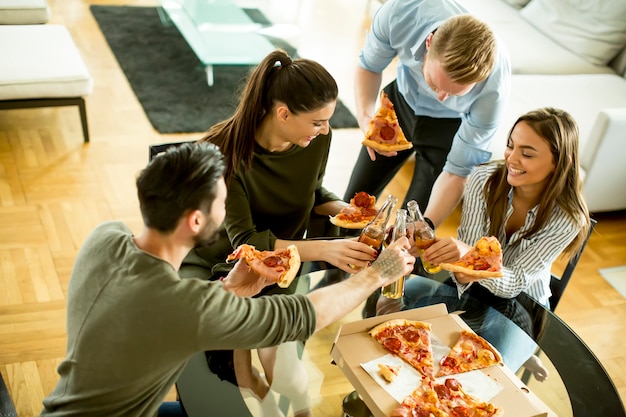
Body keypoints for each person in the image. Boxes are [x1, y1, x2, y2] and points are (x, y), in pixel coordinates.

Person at [39, 142, 415, 417]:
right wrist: (378, 273)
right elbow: (299, 315)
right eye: (223, 202)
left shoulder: (105, 236)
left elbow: (149, 314)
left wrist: (230, 289)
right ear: (197, 222)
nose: (229, 209)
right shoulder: (185, 306)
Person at [180, 50, 381, 416]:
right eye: (317, 122)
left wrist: (346, 211)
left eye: (327, 122)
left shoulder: (316, 138)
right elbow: (246, 243)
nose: (324, 130)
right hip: (226, 268)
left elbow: (313, 191)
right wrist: (325, 249)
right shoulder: (223, 152)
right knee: (245, 378)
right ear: (283, 113)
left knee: (292, 384)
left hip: (283, 266)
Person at [379, 107, 591, 378]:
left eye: (527, 154)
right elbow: (462, 272)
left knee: (483, 378)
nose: (511, 159)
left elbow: (513, 285)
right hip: (470, 289)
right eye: (510, 146)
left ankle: (520, 350)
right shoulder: (483, 180)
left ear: (559, 162)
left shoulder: (569, 218)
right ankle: (517, 352)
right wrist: (436, 251)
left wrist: (468, 257)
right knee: (405, 353)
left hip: (524, 302)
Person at [344, 0, 511, 228]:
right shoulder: (400, 13)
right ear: (429, 42)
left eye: (455, 93)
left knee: (411, 228)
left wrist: (427, 225)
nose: (442, 97)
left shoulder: (494, 90)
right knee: (351, 203)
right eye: (435, 83)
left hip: (448, 129)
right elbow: (370, 66)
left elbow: (457, 173)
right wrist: (365, 119)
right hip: (399, 104)